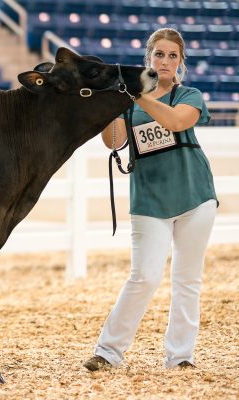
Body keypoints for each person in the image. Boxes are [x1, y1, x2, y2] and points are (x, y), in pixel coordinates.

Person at [84, 28, 218, 371]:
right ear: (149, 58)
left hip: (195, 196)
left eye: (173, 56)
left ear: (180, 62)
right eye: (159, 54)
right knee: (143, 275)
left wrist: (135, 94)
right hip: (148, 199)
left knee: (187, 279)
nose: (165, 61)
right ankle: (108, 352)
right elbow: (113, 141)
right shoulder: (129, 103)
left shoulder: (189, 95)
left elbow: (175, 122)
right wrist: (112, 102)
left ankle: (180, 356)